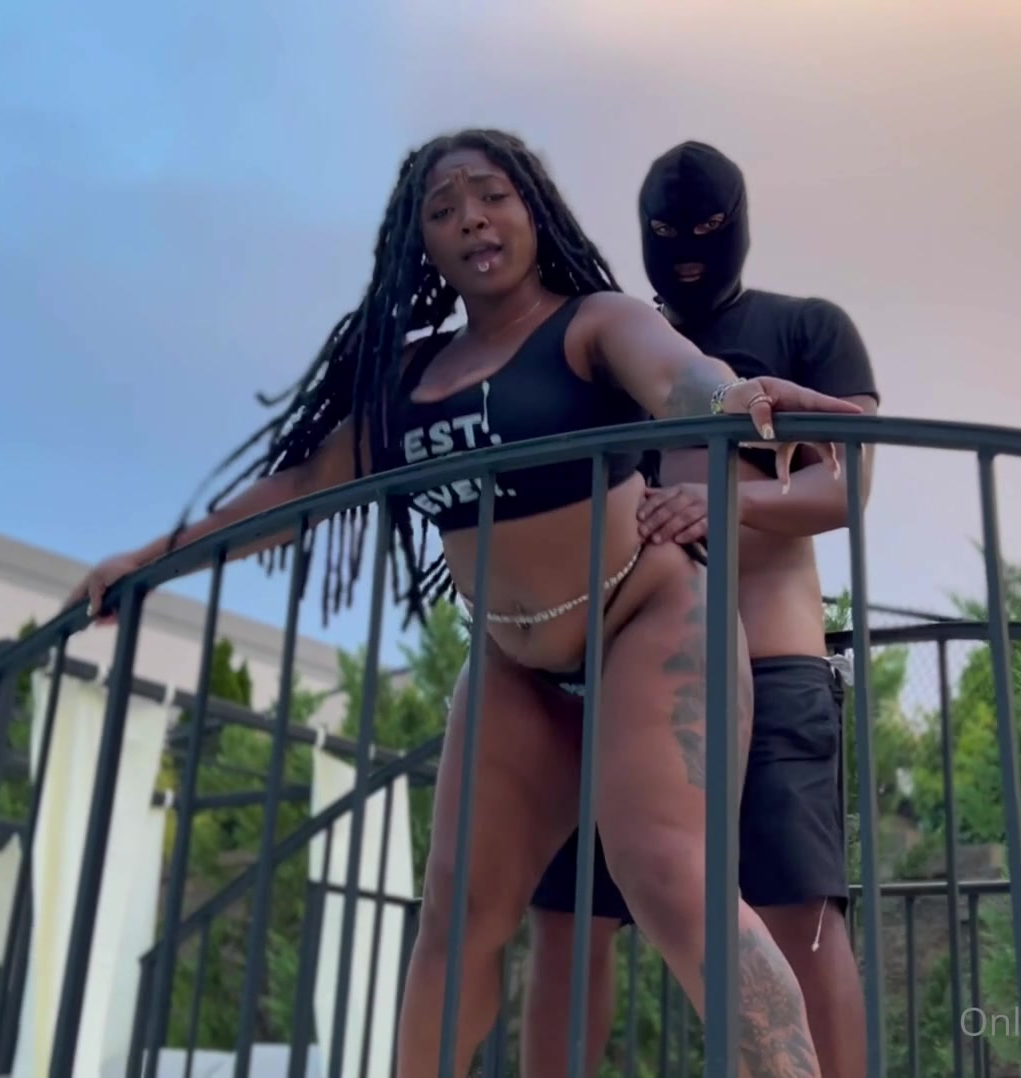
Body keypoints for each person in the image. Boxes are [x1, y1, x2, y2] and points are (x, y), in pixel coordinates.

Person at [71, 129, 865, 1077]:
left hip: (645, 617)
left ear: (534, 209)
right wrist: (149, 561)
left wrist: (736, 399)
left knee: (670, 873)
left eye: (491, 197)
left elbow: (679, 377)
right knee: (456, 917)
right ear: (421, 242)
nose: (471, 221)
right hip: (518, 662)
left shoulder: (593, 323)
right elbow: (299, 491)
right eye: (443, 210)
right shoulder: (407, 380)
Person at [522, 140, 878, 1078]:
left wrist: (728, 502)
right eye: (667, 233)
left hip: (770, 656)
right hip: (617, 666)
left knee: (799, 917)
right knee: (568, 917)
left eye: (708, 229)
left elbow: (847, 485)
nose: (686, 250)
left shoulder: (806, 327)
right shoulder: (611, 347)